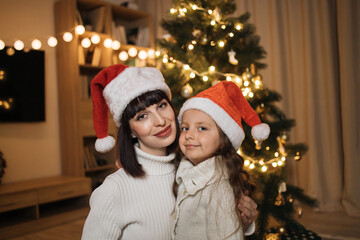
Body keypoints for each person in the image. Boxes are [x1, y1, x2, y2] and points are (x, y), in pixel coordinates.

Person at [81, 64, 258, 239]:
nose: (160, 121)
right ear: (130, 131)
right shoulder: (114, 190)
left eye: (161, 106)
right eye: (142, 116)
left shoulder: (198, 170)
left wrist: (244, 220)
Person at [172, 81, 270, 239]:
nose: (189, 135)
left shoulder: (219, 189)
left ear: (223, 139)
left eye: (202, 128)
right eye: (185, 128)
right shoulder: (184, 169)